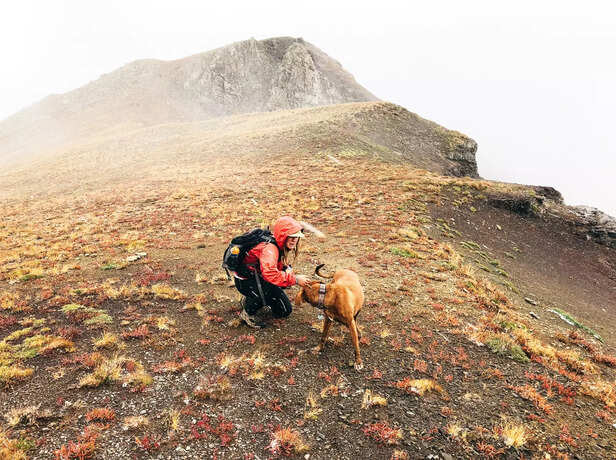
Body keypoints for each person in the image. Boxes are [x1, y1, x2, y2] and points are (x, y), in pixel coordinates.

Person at [234, 216, 309, 328]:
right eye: (291, 236)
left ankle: (253, 297)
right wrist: (295, 279)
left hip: (256, 277)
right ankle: (248, 312)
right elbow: (270, 274)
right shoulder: (269, 249)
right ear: (283, 236)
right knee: (278, 302)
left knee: (283, 311)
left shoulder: (276, 243)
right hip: (247, 281)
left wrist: (288, 272)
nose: (294, 240)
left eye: (297, 236)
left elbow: (275, 267)